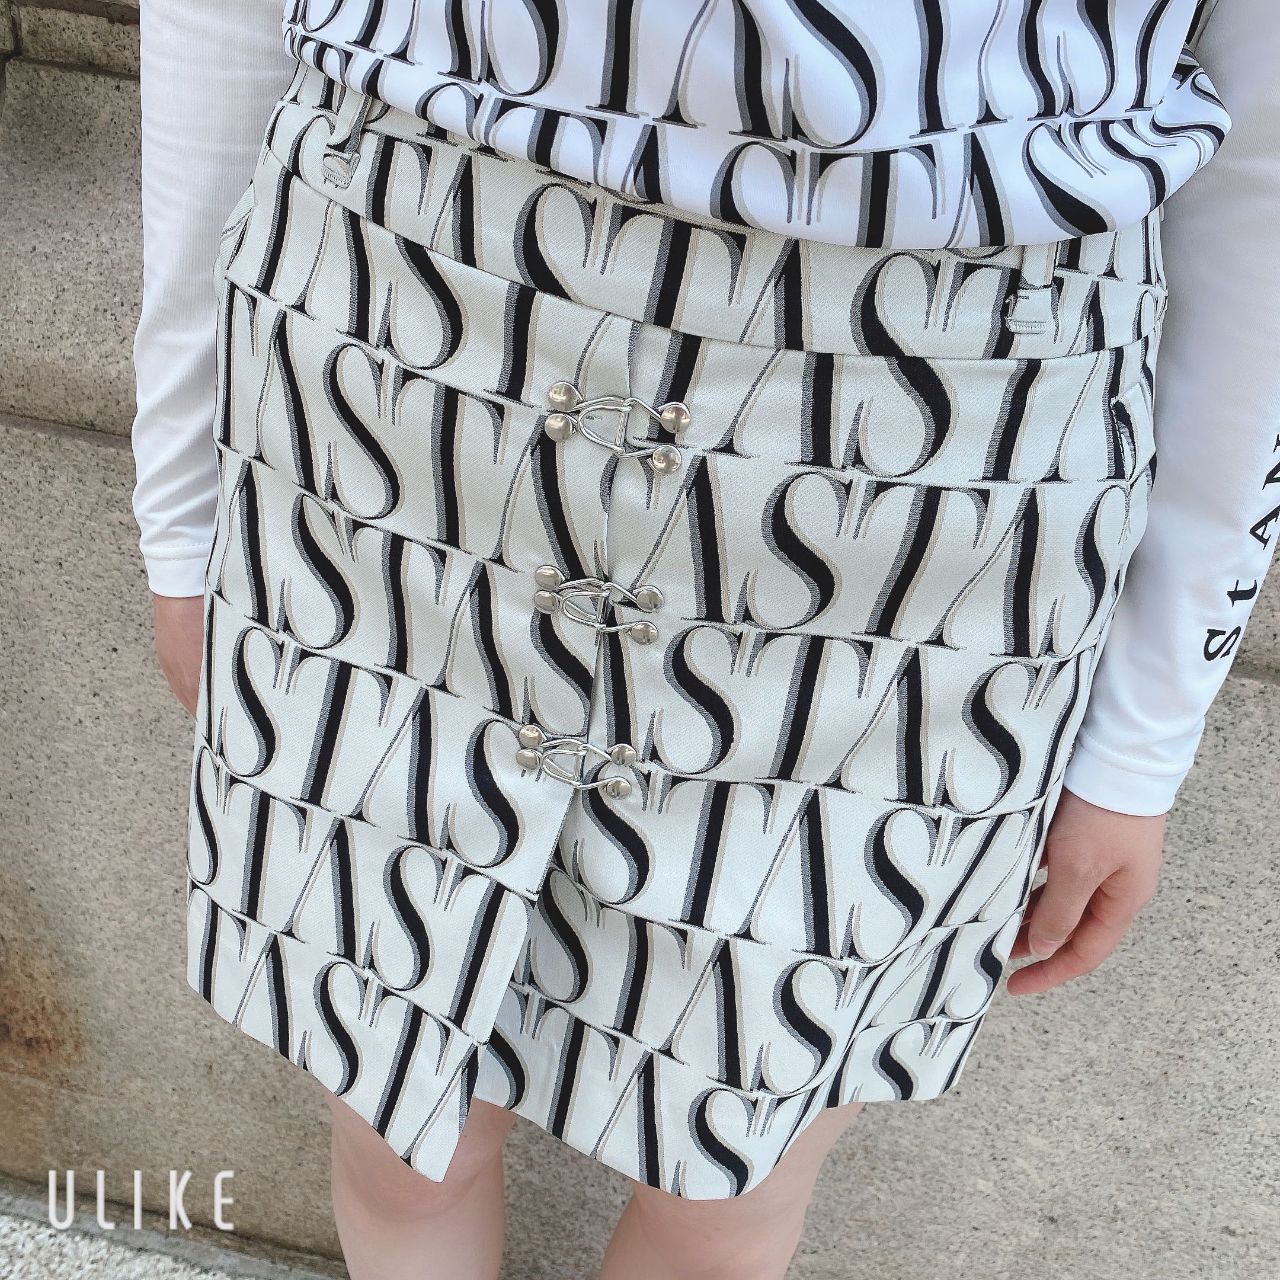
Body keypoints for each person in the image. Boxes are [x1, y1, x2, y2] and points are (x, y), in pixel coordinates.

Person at [129, 3, 1278, 1278]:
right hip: (392, 348)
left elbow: (1266, 159)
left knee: (727, 1182)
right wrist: (181, 502)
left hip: (935, 467)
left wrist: (1142, 730)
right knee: (397, 1123)